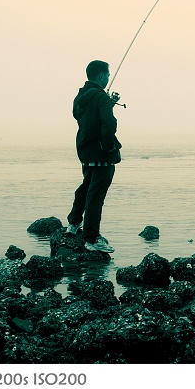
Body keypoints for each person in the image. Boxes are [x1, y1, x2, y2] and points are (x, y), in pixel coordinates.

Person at [66, 60, 121, 253]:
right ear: (100, 76)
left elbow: (78, 115)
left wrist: (107, 104)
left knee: (87, 186)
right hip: (101, 153)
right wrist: (108, 147)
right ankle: (91, 238)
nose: (108, 77)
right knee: (96, 195)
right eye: (107, 74)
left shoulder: (80, 96)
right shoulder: (101, 97)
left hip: (85, 149)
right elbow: (109, 124)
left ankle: (73, 225)